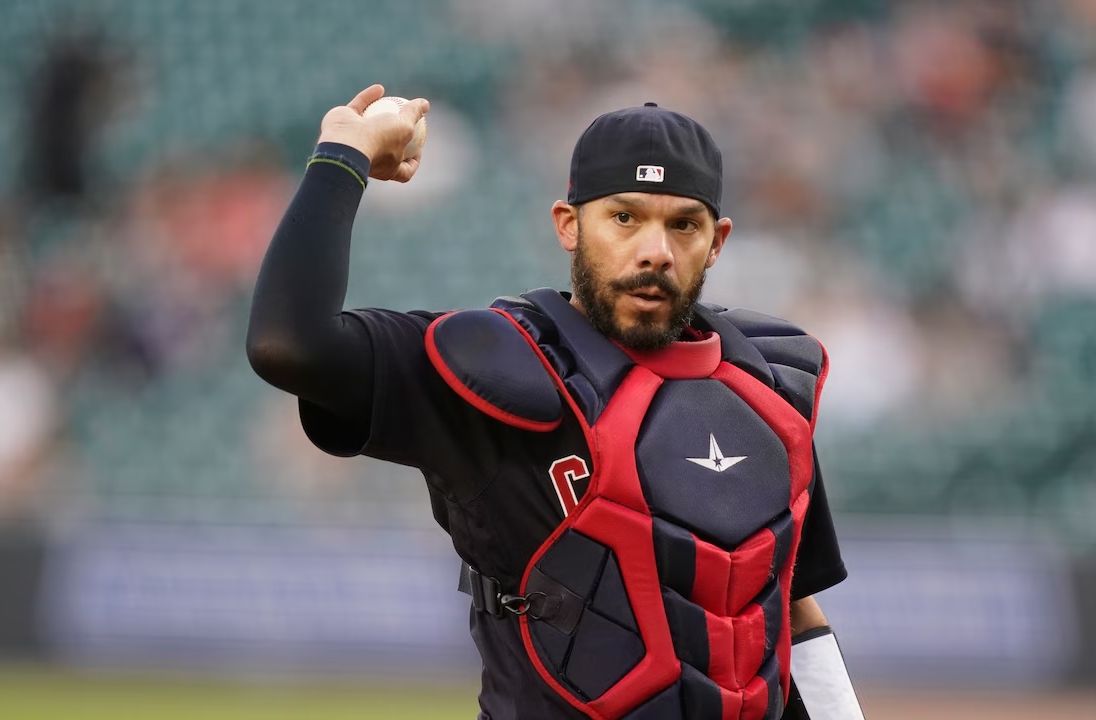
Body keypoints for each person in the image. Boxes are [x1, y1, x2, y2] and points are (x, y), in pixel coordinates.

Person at [246, 84, 864, 720]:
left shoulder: (768, 386)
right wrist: (344, 151)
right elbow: (287, 345)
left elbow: (789, 607)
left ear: (718, 240)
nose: (656, 251)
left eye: (684, 224)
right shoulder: (493, 368)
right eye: (624, 218)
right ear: (569, 225)